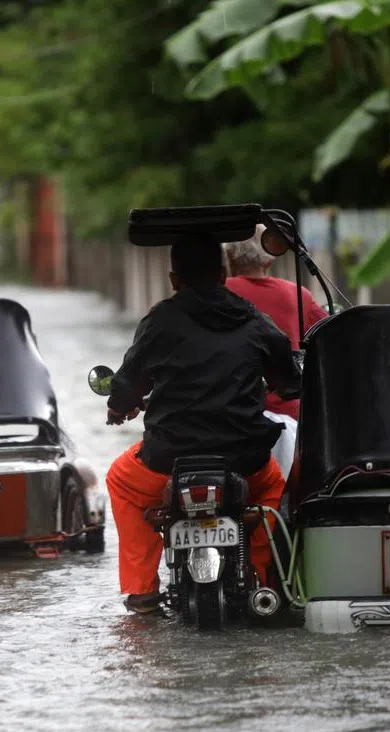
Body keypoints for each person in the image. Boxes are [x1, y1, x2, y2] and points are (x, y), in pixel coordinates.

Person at [105, 232, 303, 614]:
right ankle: (263, 577)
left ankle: (143, 592)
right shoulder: (252, 319)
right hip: (245, 460)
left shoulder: (160, 321)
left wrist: (119, 407)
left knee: (120, 481)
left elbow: (128, 383)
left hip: (168, 462)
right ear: (223, 274)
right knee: (272, 491)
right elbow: (289, 380)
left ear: (174, 279)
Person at [224, 226, 329, 477]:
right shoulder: (297, 295)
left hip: (225, 418)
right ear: (270, 259)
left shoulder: (215, 294)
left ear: (228, 259)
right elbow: (330, 337)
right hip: (288, 419)